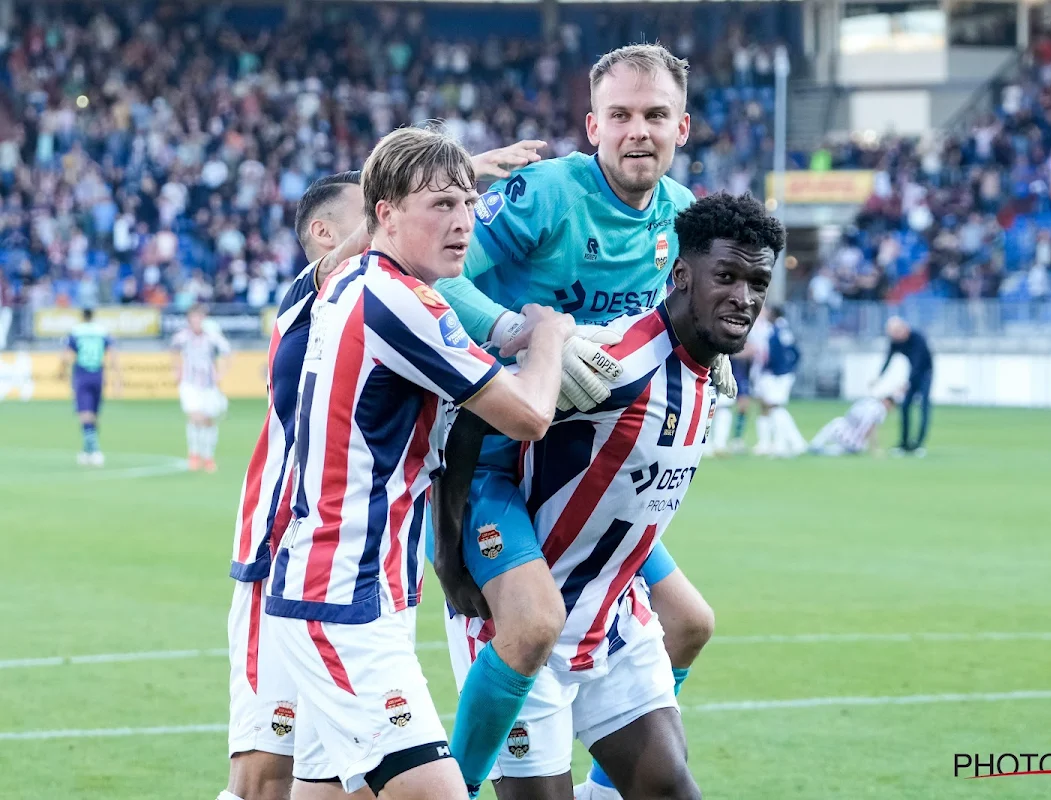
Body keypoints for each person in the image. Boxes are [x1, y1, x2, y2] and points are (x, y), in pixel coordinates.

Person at [430, 44, 730, 800]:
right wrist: (515, 333)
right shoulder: (544, 195)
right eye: (621, 115)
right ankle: (455, 787)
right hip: (493, 455)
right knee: (532, 627)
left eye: (655, 115)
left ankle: (604, 788)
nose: (638, 131)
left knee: (689, 620)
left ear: (682, 125)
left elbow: (684, 319)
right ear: (591, 124)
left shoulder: (683, 218)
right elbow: (441, 271)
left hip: (584, 473)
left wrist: (708, 350)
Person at [222, 140, 548, 800]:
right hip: (302, 566)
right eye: (440, 206)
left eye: (467, 207)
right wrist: (550, 336)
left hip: (358, 576)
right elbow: (525, 413)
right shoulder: (334, 296)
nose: (463, 220)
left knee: (325, 790)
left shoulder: (352, 291)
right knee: (262, 782)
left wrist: (453, 176)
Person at [436, 193, 783, 800]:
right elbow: (472, 419)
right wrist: (449, 557)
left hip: (613, 622)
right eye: (725, 276)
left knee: (672, 789)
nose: (744, 297)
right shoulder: (615, 364)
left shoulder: (705, 370)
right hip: (522, 624)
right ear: (680, 275)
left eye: (759, 281)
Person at [171, 304, 231, 472]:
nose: (196, 321)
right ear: (189, 319)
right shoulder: (182, 337)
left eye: (199, 317)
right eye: (193, 317)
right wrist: (176, 370)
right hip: (189, 383)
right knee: (195, 416)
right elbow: (173, 351)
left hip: (208, 385)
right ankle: (194, 454)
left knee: (208, 420)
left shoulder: (212, 337)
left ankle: (208, 456)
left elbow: (228, 352)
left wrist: (221, 374)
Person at [61, 307, 120, 466]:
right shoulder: (102, 331)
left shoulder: (76, 331)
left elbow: (66, 354)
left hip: (82, 374)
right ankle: (87, 450)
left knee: (84, 415)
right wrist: (118, 378)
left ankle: (94, 450)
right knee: (94, 414)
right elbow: (112, 353)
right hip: (98, 374)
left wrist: (61, 370)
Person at [874, 316, 933, 455]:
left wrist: (907, 383)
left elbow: (918, 364)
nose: (894, 337)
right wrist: (879, 377)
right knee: (905, 406)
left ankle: (918, 444)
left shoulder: (918, 339)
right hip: (912, 375)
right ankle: (904, 443)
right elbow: (888, 359)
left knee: (923, 406)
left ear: (903, 329)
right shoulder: (896, 342)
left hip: (925, 374)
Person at [752, 306, 805, 457]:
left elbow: (783, 352)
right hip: (777, 373)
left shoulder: (780, 330)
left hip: (778, 374)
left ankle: (790, 443)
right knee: (772, 406)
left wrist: (782, 369)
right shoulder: (780, 329)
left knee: (775, 407)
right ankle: (787, 442)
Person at [808, 387, 901, 456]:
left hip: (847, 434)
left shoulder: (871, 404)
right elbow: (871, 429)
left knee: (837, 423)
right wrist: (874, 448)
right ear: (887, 402)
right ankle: (821, 449)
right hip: (856, 443)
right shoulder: (880, 410)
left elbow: (869, 427)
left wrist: (873, 448)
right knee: (842, 447)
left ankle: (815, 445)